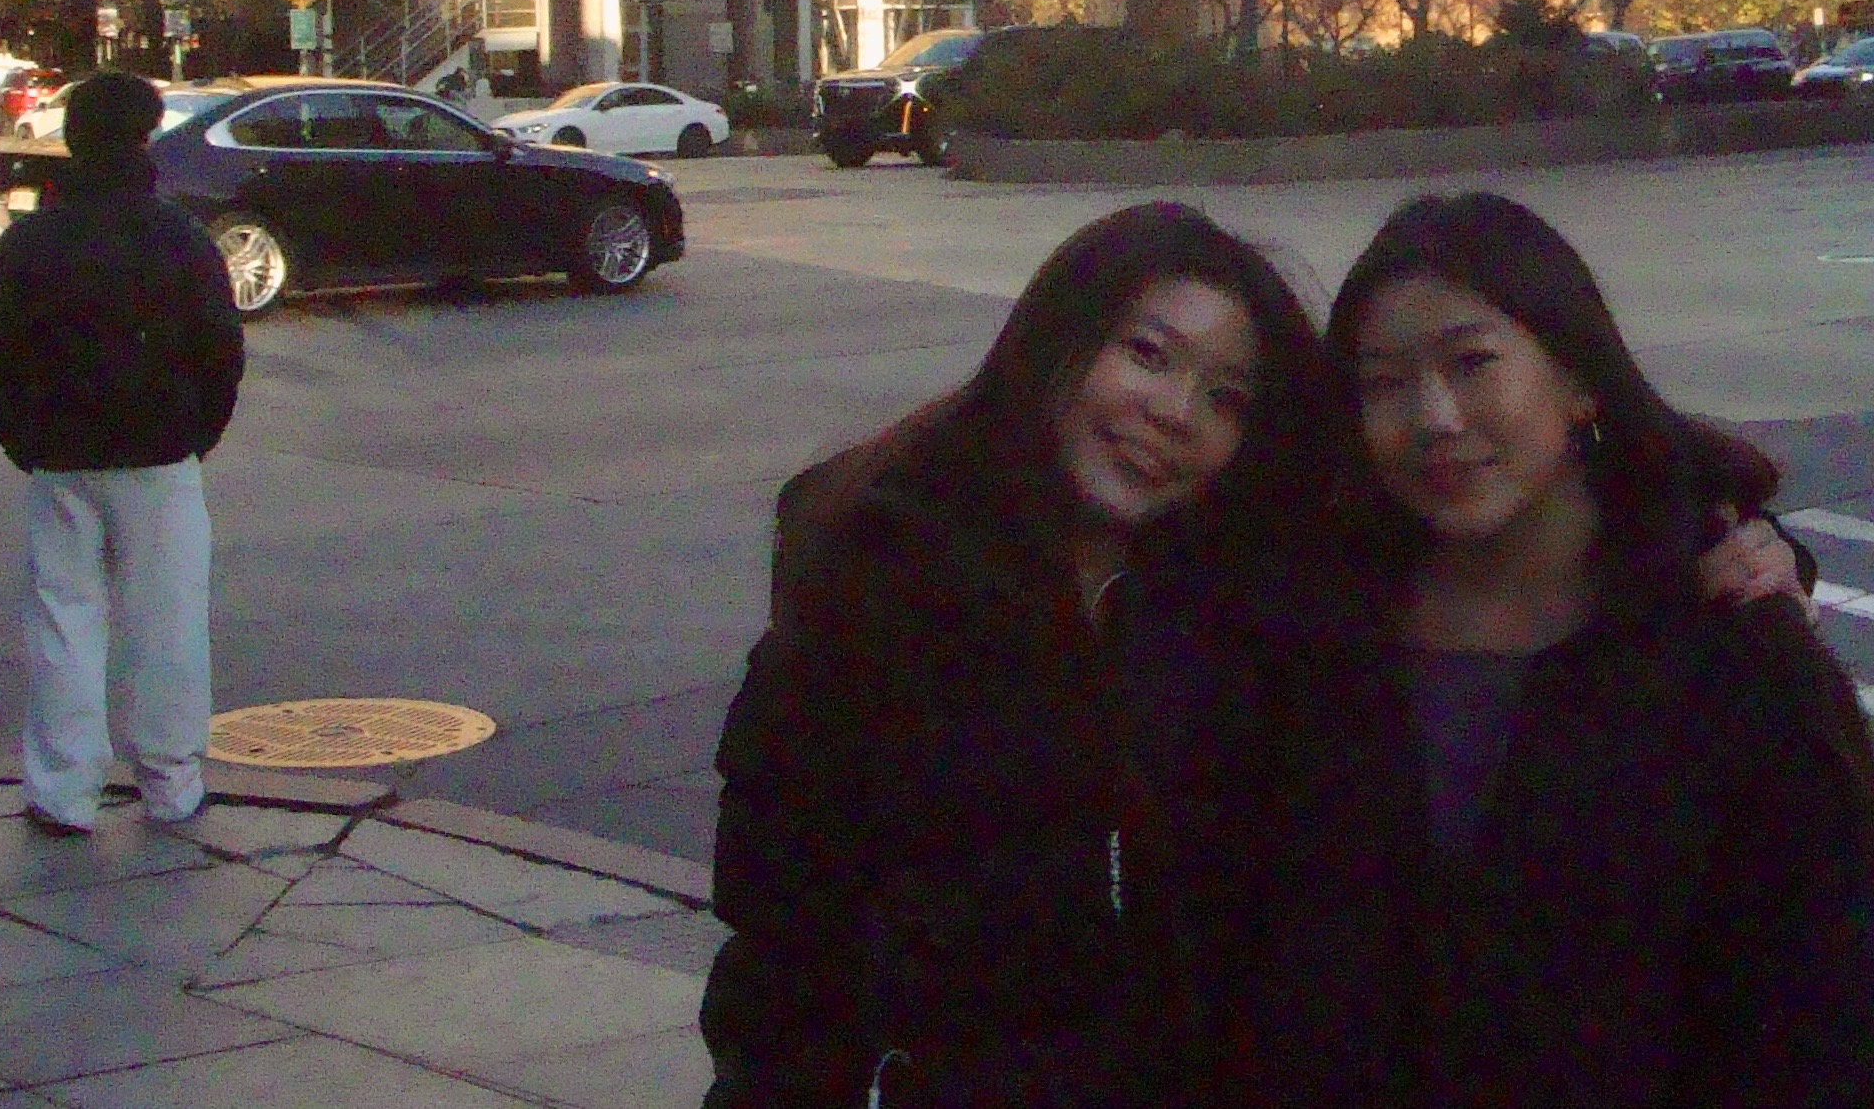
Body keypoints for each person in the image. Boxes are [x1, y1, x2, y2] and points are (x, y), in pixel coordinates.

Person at [701, 199, 1812, 1108]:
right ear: (1055, 338)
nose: (1172, 413)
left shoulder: (1243, 604)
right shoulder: (874, 594)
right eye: (1147, 354)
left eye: (1226, 397)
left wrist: (1729, 543)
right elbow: (779, 966)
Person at [1226, 191, 1874, 1108]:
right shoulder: (1317, 632)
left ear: (1578, 378)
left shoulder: (1723, 644)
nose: (1433, 417)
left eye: (1471, 363)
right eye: (1382, 382)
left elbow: (1815, 1033)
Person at [0, 69, 244, 835]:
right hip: (160, 453)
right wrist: (198, 432)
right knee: (169, 622)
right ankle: (171, 781)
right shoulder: (177, 236)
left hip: (61, 453)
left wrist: (23, 439)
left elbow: (0, 353)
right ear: (146, 135)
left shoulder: (35, 238)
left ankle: (64, 791)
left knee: (64, 620)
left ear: (72, 138)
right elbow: (219, 347)